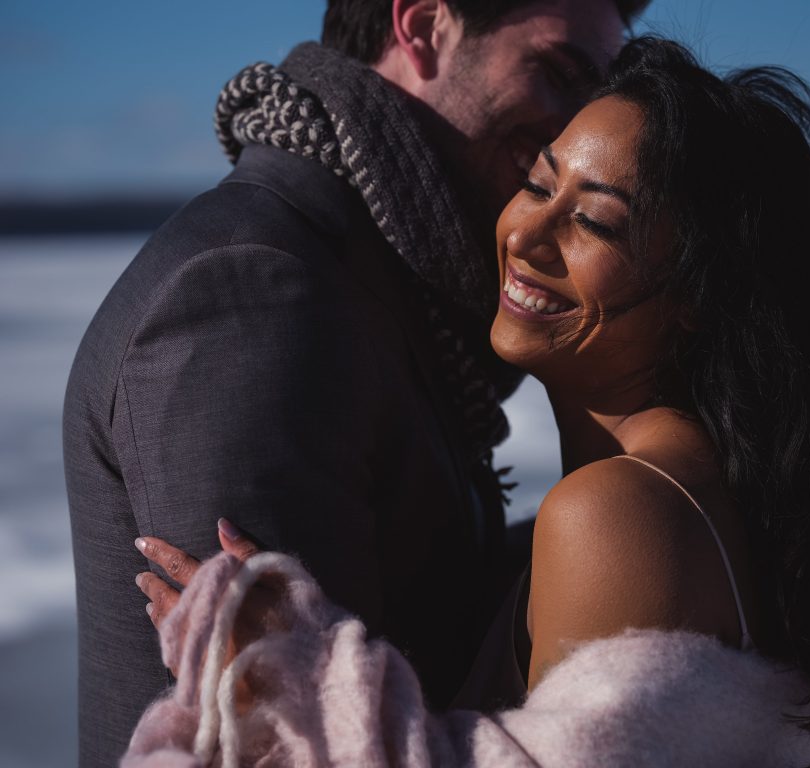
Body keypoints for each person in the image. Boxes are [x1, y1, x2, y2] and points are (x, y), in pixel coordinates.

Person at [127, 37, 810, 767]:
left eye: (596, 224)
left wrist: (291, 680)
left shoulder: (616, 512)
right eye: (538, 185)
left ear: (698, 299)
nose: (528, 235)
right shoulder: (713, 486)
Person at [62, 1, 649, 764]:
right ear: (424, 25)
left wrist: (616, 544)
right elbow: (288, 747)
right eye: (557, 71)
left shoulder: (374, 277)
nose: (573, 126)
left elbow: (415, 603)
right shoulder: (255, 293)